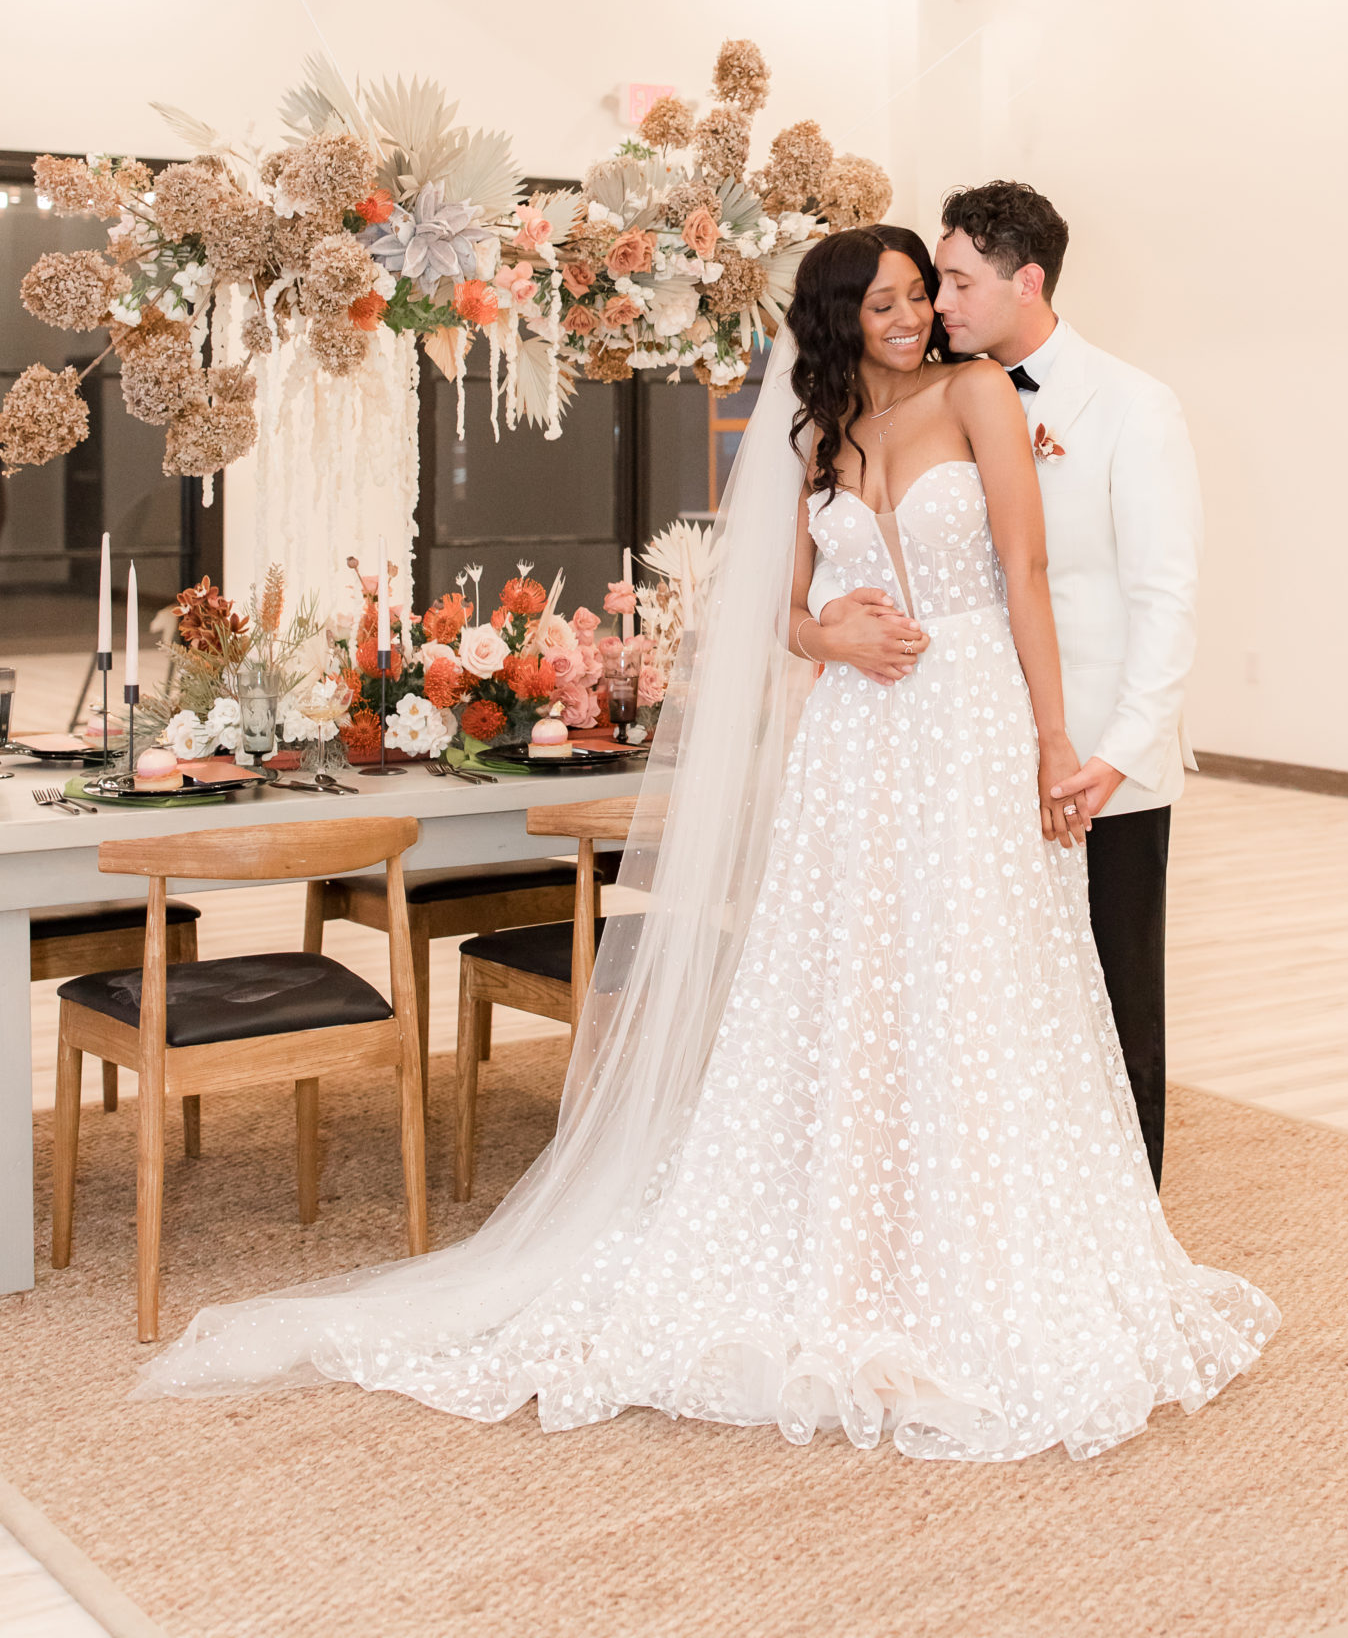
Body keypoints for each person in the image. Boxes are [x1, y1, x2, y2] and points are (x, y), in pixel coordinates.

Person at [138, 225, 1272, 1460]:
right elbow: (775, 610)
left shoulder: (978, 393)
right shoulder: (817, 437)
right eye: (888, 303)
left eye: (920, 298)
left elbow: (1027, 568)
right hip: (854, 744)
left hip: (966, 725)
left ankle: (970, 1244)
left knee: (980, 980)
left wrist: (1057, 741)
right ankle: (850, 1237)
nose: (915, 318)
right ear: (840, 319)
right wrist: (830, 635)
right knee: (846, 986)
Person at [930, 182, 1201, 1188]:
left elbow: (1165, 600)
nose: (943, 300)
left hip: (1097, 761)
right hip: (979, 746)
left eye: (960, 279)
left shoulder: (1135, 407)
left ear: (1025, 279)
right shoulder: (945, 399)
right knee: (1004, 1001)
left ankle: (1133, 1227)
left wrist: (1116, 754)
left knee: (1118, 999)